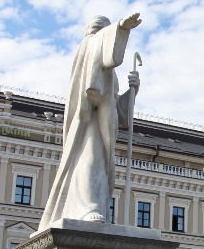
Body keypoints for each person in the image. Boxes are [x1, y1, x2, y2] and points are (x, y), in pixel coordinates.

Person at [39, 13, 142, 229]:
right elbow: (92, 88)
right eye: (105, 33)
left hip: (103, 121)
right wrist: (120, 28)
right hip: (87, 120)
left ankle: (95, 206)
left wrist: (132, 91)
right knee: (90, 158)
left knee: (99, 165)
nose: (106, 38)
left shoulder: (110, 74)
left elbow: (119, 113)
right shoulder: (86, 49)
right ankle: (89, 206)